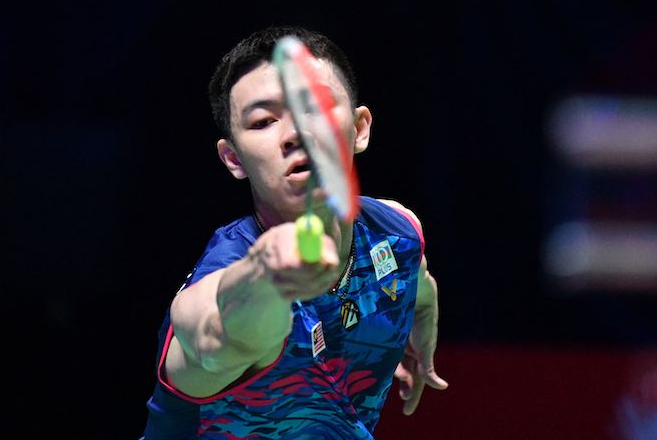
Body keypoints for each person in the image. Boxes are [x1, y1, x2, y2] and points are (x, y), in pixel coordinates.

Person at [142, 26, 447, 439]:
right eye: (264, 121)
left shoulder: (397, 231)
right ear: (234, 159)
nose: (295, 134)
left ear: (359, 129)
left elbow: (419, 280)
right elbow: (213, 337)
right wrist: (266, 274)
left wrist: (420, 325)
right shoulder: (227, 271)